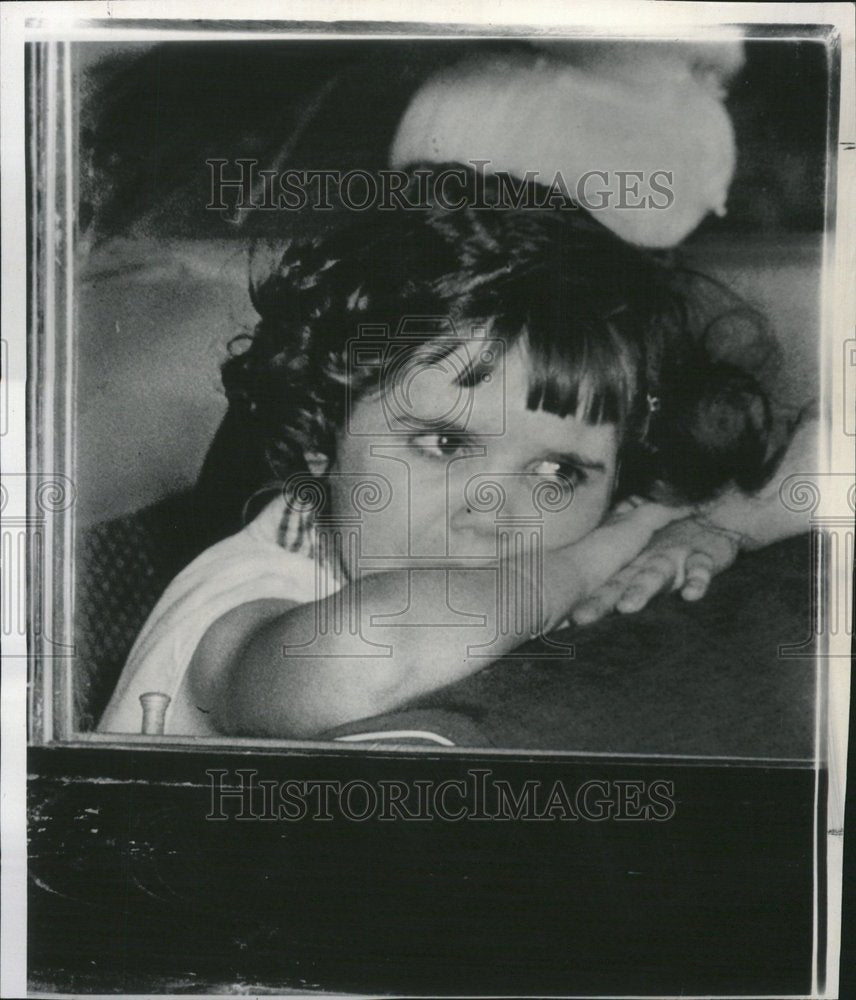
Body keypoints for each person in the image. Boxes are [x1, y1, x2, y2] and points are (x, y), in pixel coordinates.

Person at [98, 169, 804, 740]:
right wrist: (609, 545)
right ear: (321, 438)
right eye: (445, 443)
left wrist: (710, 526)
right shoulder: (246, 594)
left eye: (560, 471)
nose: (494, 515)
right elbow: (358, 659)